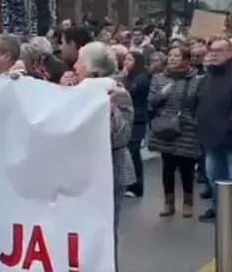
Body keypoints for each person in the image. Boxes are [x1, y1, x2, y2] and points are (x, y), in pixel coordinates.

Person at [71, 41, 134, 271]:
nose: (75, 66)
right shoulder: (74, 88)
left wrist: (110, 109)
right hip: (80, 173)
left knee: (104, 231)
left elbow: (121, 136)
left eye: (80, 61)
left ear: (93, 69)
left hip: (109, 173)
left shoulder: (117, 92)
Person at [196, 37, 232, 228]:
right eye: (211, 50)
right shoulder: (207, 78)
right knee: (214, 177)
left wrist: (226, 128)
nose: (214, 54)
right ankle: (219, 208)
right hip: (211, 138)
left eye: (219, 50)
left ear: (230, 53)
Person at [147, 46, 202, 218]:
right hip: (166, 128)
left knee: (187, 168)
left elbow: (199, 104)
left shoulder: (196, 80)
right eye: (170, 55)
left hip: (187, 128)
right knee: (168, 167)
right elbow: (151, 102)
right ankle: (168, 203)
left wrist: (194, 121)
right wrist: (162, 94)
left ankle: (188, 203)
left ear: (186, 60)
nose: (172, 58)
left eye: (177, 56)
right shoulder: (159, 78)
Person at [121, 51, 150, 198]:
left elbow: (128, 93)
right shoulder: (128, 77)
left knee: (134, 153)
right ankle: (129, 184)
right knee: (130, 152)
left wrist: (124, 78)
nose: (126, 62)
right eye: (125, 59)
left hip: (137, 120)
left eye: (129, 60)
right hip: (130, 120)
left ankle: (137, 186)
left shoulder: (141, 79)